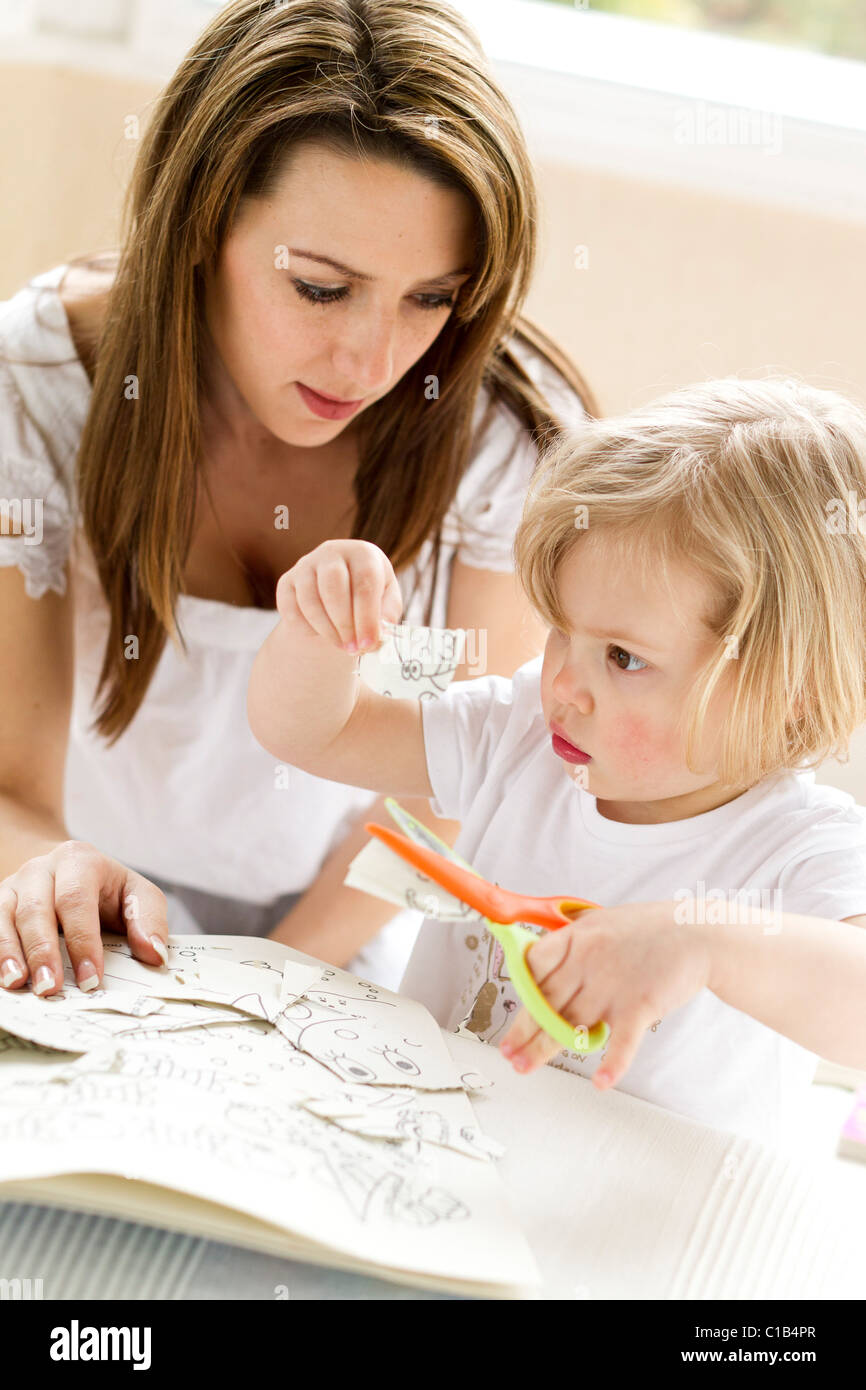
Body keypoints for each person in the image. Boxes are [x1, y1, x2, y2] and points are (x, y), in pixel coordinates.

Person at [0, 0, 598, 999]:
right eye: (321, 288)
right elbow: (11, 787)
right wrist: (53, 872)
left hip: (338, 921)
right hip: (69, 889)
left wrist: (270, 984)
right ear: (198, 223)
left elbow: (444, 788)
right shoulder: (39, 384)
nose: (370, 360)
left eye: (431, 297)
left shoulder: (495, 444)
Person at [246, 376, 866, 1147]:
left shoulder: (804, 846)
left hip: (638, 1240)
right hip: (437, 1159)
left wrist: (700, 942)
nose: (565, 685)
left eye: (623, 658)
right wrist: (314, 633)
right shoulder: (519, 737)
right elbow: (312, 733)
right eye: (560, 632)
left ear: (790, 694)